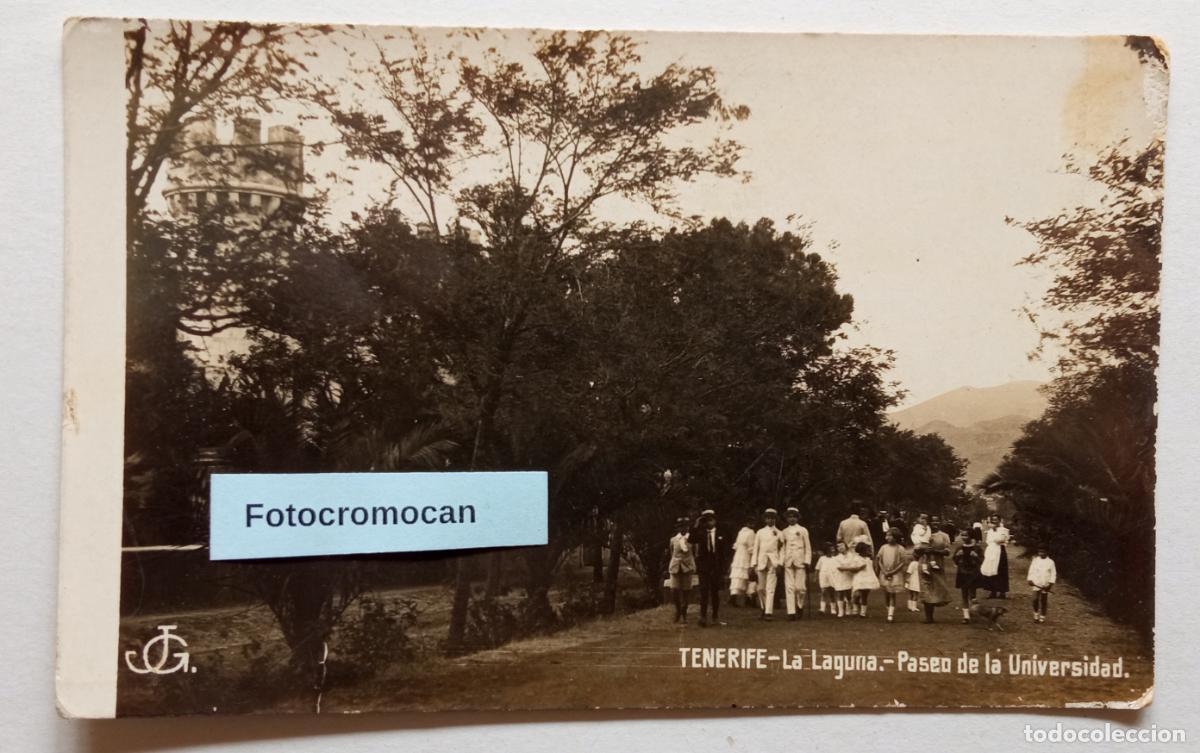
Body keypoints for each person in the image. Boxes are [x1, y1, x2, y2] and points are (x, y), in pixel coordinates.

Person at [691, 509, 727, 627]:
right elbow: (691, 539)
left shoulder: (721, 533)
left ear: (715, 520)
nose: (709, 523)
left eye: (711, 520)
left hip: (716, 566)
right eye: (706, 521)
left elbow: (724, 552)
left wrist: (723, 567)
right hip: (704, 566)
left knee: (715, 592)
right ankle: (702, 617)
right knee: (704, 591)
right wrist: (696, 524)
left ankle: (715, 617)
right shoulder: (700, 533)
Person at [915, 521, 953, 623]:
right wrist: (922, 550)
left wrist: (935, 551)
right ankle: (928, 617)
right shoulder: (922, 534)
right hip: (924, 564)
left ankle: (932, 613)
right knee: (926, 588)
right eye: (932, 521)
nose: (934, 523)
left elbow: (948, 551)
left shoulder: (944, 536)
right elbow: (915, 552)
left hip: (937, 565)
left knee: (936, 588)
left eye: (937, 520)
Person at [751, 508, 783, 620]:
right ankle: (763, 608)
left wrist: (779, 563)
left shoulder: (779, 533)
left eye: (772, 518)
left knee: (770, 587)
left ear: (775, 519)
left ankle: (769, 612)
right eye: (768, 518)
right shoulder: (760, 532)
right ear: (765, 519)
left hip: (773, 562)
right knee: (760, 588)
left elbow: (781, 550)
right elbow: (756, 548)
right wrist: (754, 563)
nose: (770, 520)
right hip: (761, 561)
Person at [780, 507, 812, 621]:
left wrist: (807, 561)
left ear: (797, 517)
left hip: (800, 561)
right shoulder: (784, 532)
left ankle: (799, 605)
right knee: (789, 587)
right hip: (788, 561)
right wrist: (781, 561)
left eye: (794, 516)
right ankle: (791, 612)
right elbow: (782, 548)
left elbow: (808, 547)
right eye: (789, 516)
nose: (791, 519)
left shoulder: (803, 530)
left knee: (800, 588)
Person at [875, 528, 908, 622]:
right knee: (886, 592)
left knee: (892, 593)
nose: (887, 537)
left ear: (895, 537)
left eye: (890, 536)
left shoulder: (900, 548)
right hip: (884, 572)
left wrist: (892, 572)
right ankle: (888, 609)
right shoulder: (883, 547)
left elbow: (902, 562)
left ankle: (890, 614)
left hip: (895, 574)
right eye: (887, 535)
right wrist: (883, 570)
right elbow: (879, 559)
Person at [667, 517, 696, 623]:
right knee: (674, 590)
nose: (683, 529)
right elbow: (672, 553)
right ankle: (678, 610)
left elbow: (695, 553)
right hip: (675, 567)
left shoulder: (692, 540)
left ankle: (684, 612)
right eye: (681, 527)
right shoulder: (673, 540)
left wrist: (691, 563)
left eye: (685, 526)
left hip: (687, 567)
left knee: (686, 591)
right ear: (678, 528)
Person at [839, 541, 878, 617]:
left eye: (868, 550)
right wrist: (859, 568)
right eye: (866, 550)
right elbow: (853, 569)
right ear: (861, 550)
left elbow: (871, 569)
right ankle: (855, 609)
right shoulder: (856, 558)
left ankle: (863, 613)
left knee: (865, 595)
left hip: (868, 578)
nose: (867, 551)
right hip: (859, 578)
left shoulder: (869, 559)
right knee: (857, 594)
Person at [952, 528, 983, 623]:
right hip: (962, 572)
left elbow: (982, 560)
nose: (964, 537)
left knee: (972, 594)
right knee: (964, 594)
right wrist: (958, 556)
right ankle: (966, 616)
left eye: (966, 535)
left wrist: (976, 556)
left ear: (971, 536)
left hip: (973, 573)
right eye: (962, 535)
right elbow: (955, 560)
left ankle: (974, 610)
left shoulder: (977, 548)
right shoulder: (960, 547)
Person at [728, 515, 758, 608]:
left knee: (740, 577)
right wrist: (754, 558)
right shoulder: (751, 532)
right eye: (750, 522)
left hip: (738, 556)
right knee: (749, 577)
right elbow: (751, 548)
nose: (752, 524)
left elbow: (736, 546)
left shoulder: (741, 531)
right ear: (747, 523)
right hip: (745, 556)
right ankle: (748, 598)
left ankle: (741, 597)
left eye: (752, 522)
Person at [980, 514, 1011, 598]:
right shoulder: (990, 531)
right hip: (991, 551)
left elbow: (1000, 540)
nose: (994, 521)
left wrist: (995, 538)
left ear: (999, 520)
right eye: (993, 520)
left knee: (1001, 570)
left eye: (996, 520)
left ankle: (1002, 592)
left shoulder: (1004, 530)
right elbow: (987, 541)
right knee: (991, 569)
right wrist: (993, 537)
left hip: (1000, 551)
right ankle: (993, 591)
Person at [1027, 545, 1057, 623]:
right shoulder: (1035, 560)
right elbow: (1031, 570)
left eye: (1043, 552)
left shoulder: (1050, 562)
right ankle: (1036, 615)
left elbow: (1053, 574)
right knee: (1035, 599)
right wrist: (1030, 579)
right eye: (1039, 552)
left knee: (1043, 600)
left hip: (1045, 584)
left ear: (1047, 552)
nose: (1041, 553)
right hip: (1036, 583)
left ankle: (1042, 616)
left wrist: (1050, 585)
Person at [831, 542, 855, 617]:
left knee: (848, 594)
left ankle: (848, 608)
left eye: (842, 546)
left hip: (849, 577)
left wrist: (848, 567)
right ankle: (841, 611)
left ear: (846, 546)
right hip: (840, 577)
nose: (840, 548)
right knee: (840, 593)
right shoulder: (836, 558)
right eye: (838, 547)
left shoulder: (852, 556)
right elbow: (839, 568)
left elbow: (853, 564)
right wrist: (850, 567)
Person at [814, 542, 838, 615]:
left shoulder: (835, 559)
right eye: (831, 548)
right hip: (824, 576)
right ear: (826, 550)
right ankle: (822, 609)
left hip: (833, 576)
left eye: (833, 548)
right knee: (823, 592)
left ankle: (833, 609)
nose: (832, 550)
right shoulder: (822, 559)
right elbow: (817, 569)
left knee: (832, 593)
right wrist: (815, 577)